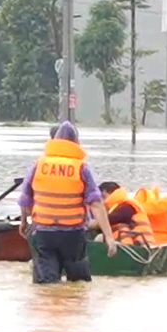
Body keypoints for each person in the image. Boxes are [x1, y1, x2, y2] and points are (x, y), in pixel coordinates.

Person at [18, 121, 115, 283]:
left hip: (44, 233)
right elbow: (96, 204)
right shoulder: (81, 168)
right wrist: (109, 236)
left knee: (46, 284)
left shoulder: (38, 165)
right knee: (78, 283)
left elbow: (25, 200)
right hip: (73, 235)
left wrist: (23, 221)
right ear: (76, 143)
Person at [98, 181, 155, 246]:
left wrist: (96, 222)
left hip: (142, 244)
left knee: (100, 238)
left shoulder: (128, 205)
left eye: (101, 197)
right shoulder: (117, 207)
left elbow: (117, 217)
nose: (100, 201)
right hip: (133, 246)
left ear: (107, 193)